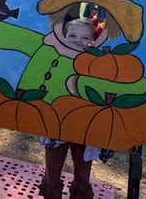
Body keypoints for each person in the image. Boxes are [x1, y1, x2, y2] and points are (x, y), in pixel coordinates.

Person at [38, 18, 102, 199]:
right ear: (64, 37)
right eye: (72, 35)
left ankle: (80, 193)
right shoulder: (56, 60)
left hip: (84, 126)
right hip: (57, 123)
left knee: (83, 167)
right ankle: (51, 192)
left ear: (93, 41)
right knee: (53, 164)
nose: (77, 40)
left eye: (84, 37)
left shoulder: (97, 64)